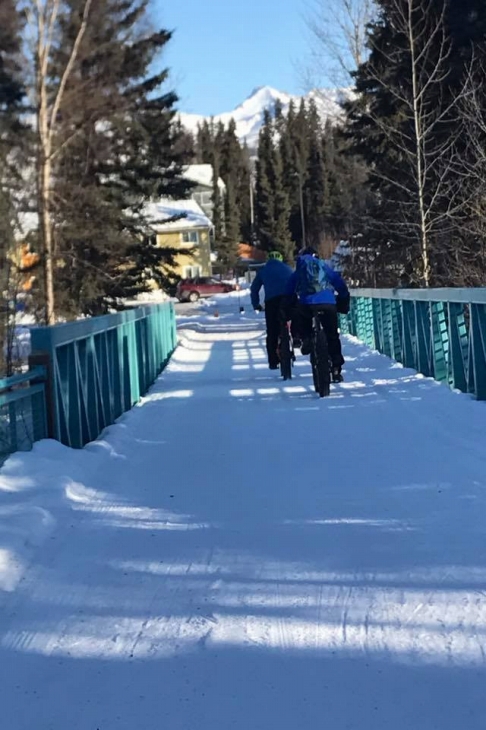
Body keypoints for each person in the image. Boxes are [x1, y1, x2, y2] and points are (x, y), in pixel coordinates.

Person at [284, 246, 349, 383]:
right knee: (332, 336)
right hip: (328, 303)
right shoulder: (323, 266)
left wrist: (289, 304)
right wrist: (343, 302)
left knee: (304, 320)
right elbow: (339, 284)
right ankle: (336, 368)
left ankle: (307, 339)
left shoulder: (300, 268)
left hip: (307, 304)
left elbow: (289, 289)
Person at [251, 251, 293, 369]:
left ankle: (273, 361)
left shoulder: (263, 270)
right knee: (292, 317)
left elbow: (254, 289)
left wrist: (256, 305)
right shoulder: (288, 268)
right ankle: (296, 337)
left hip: (272, 301)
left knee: (272, 331)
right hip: (288, 298)